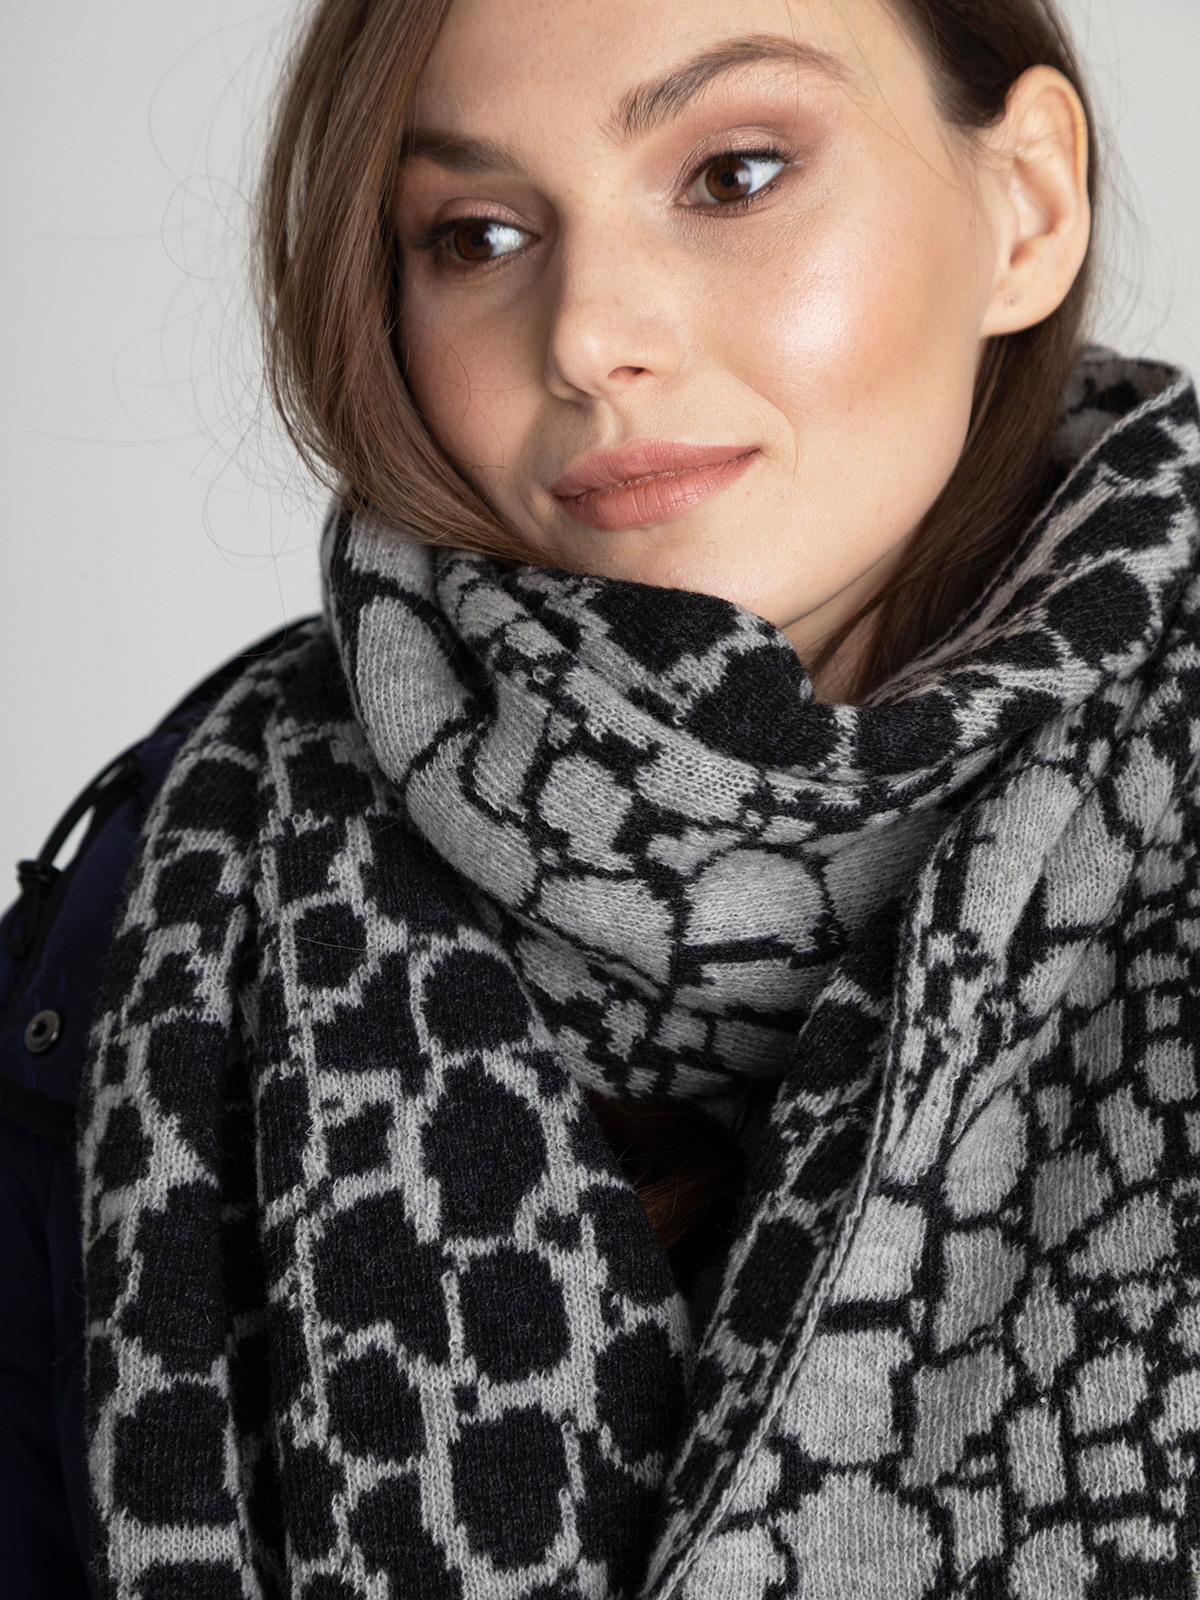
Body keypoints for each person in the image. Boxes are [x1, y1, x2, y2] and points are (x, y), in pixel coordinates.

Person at [7, 0, 1200, 1594]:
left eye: (735, 173)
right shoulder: (189, 891)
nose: (584, 335)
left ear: (1028, 206)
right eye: (478, 233)